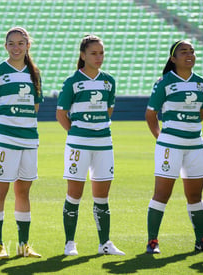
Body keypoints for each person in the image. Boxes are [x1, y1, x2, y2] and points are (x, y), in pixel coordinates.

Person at [56, 35, 125, 256]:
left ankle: (104, 243)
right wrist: (78, 133)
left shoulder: (109, 81)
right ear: (83, 55)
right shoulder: (72, 81)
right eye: (94, 53)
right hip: (78, 143)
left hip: (104, 143)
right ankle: (69, 243)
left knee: (102, 196)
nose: (98, 57)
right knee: (74, 194)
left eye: (101, 53)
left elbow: (108, 111)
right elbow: (60, 114)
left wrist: (96, 129)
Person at [0, 26, 43, 259]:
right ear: (6, 46)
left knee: (23, 192)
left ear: (28, 46)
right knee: (0, 191)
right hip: (4, 140)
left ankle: (23, 245)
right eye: (12, 43)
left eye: (21, 43)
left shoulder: (34, 73)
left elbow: (34, 108)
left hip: (29, 140)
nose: (16, 47)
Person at [145, 40, 203, 254]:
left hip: (196, 145)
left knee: (196, 196)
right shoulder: (164, 82)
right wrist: (160, 138)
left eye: (192, 51)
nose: (189, 54)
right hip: (170, 145)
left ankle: (201, 239)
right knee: (162, 194)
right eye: (183, 52)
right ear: (173, 58)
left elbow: (202, 112)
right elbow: (151, 114)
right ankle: (152, 241)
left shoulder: (202, 83)